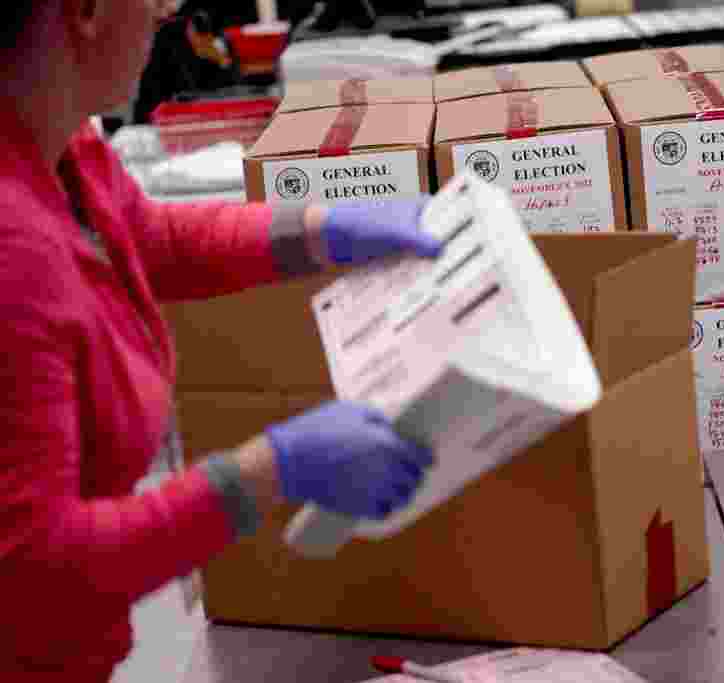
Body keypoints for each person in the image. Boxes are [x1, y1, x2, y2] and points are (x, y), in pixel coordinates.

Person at [0, 1, 443, 680]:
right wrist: (273, 469)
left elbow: (147, 238)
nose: (166, 10)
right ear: (84, 10)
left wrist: (323, 229)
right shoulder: (11, 248)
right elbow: (36, 575)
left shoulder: (58, 146)